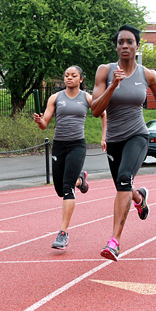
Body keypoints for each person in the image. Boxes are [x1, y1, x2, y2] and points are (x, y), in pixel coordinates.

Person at [91, 24, 156, 261]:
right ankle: (140, 198)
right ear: (116, 47)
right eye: (120, 42)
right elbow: (96, 110)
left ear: (137, 45)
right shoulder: (104, 72)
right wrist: (113, 86)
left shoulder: (147, 74)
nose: (125, 45)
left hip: (138, 135)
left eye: (129, 41)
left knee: (124, 179)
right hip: (115, 139)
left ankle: (114, 242)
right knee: (123, 187)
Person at [33, 65, 106, 250]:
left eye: (73, 75)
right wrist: (40, 121)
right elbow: (45, 124)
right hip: (59, 145)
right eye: (66, 75)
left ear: (81, 79)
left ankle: (63, 233)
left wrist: (104, 136)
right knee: (59, 189)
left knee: (67, 189)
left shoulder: (87, 98)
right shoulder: (55, 98)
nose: (69, 78)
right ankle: (80, 179)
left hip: (77, 145)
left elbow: (103, 113)